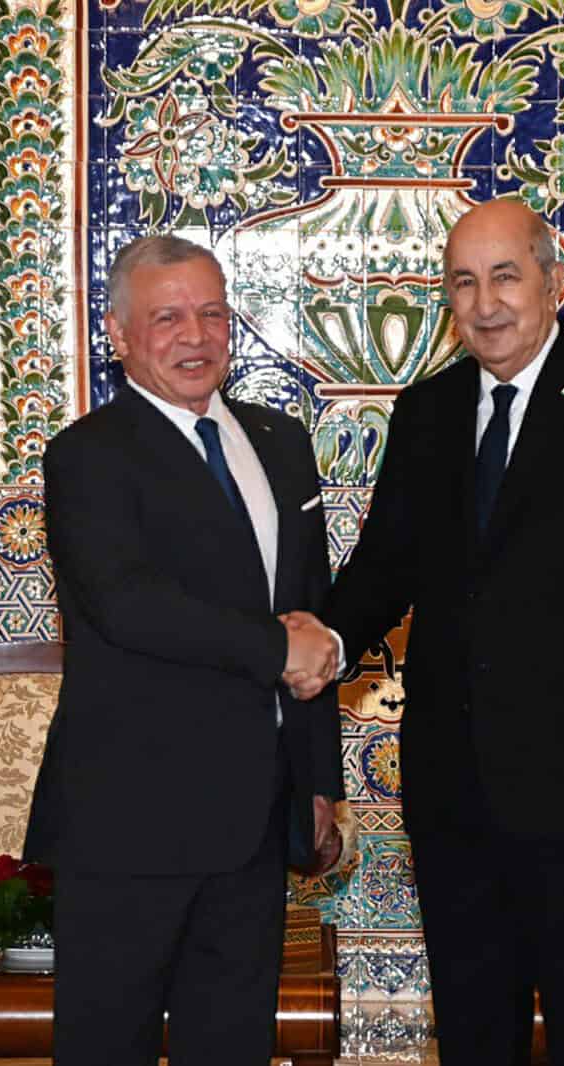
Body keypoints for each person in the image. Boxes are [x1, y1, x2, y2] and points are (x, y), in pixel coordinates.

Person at [296, 199, 564, 1063]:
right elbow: (384, 567)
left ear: (554, 282)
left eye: (505, 277)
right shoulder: (427, 413)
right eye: (463, 283)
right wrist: (324, 641)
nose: (485, 304)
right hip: (454, 792)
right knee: (474, 1033)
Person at [25, 235, 344, 1065]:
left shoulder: (280, 442)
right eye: (167, 318)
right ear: (118, 334)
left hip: (256, 822)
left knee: (234, 1046)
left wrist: (316, 780)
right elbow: (128, 605)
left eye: (212, 314)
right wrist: (275, 648)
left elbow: (308, 611)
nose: (195, 336)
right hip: (130, 822)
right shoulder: (87, 455)